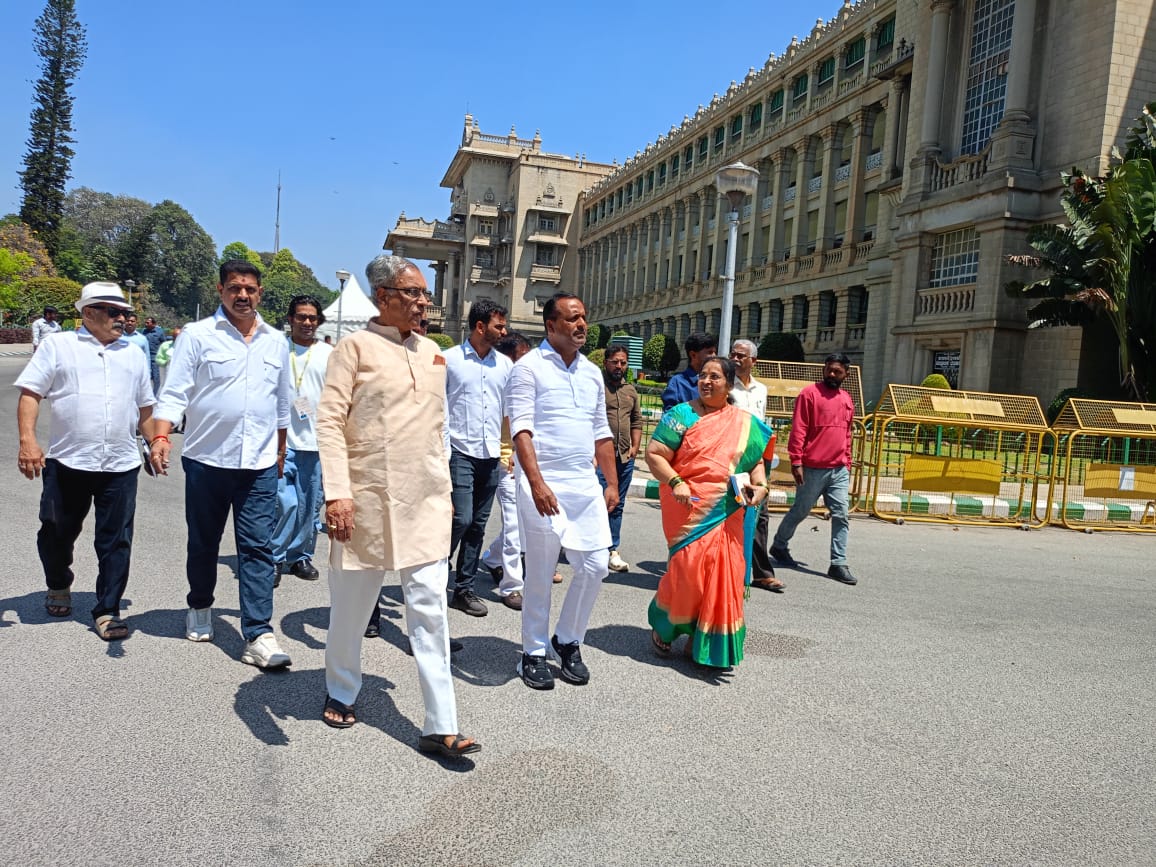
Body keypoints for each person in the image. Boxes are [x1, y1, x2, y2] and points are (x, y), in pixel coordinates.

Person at [316, 254, 478, 757]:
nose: (423, 302)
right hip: (365, 499)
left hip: (425, 500)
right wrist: (337, 493)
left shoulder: (434, 352)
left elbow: (438, 432)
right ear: (383, 297)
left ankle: (441, 723)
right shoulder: (354, 347)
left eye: (424, 293)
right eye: (412, 293)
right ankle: (342, 688)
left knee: (430, 610)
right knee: (352, 606)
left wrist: (447, 494)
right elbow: (329, 423)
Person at [150, 260, 294, 669]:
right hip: (206, 462)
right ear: (221, 290)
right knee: (204, 543)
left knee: (257, 549)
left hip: (260, 464)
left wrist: (280, 453)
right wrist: (160, 436)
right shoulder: (197, 336)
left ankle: (258, 633)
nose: (243, 295)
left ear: (260, 294)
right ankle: (199, 604)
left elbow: (282, 406)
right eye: (235, 288)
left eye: (250, 289)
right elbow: (174, 393)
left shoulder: (275, 341)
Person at [14, 282, 156, 641]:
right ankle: (58, 582)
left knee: (116, 539)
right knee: (56, 530)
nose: (123, 318)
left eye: (125, 312)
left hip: (121, 464)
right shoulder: (58, 346)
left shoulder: (134, 353)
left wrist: (156, 442)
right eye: (114, 312)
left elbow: (144, 408)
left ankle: (107, 609)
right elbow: (31, 394)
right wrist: (28, 441)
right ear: (88, 313)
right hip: (69, 461)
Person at [506, 292, 618, 690]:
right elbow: (521, 430)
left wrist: (612, 483)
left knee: (596, 565)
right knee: (540, 571)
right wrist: (536, 483)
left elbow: (600, 431)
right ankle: (533, 652)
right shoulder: (528, 369)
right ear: (551, 326)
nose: (581, 325)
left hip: (584, 483)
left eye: (584, 317)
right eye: (572, 319)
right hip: (543, 481)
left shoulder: (590, 372)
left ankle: (567, 638)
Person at [645, 356, 773, 668]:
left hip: (729, 511)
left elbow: (755, 463)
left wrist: (761, 487)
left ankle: (700, 637)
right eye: (703, 375)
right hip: (691, 509)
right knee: (688, 574)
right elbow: (655, 454)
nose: (706, 381)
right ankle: (666, 625)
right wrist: (675, 481)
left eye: (715, 377)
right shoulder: (681, 415)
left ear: (730, 385)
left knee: (723, 575)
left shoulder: (745, 424)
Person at [443, 299, 511, 616]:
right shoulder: (449, 361)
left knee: (478, 526)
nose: (504, 331)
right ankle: (433, 570)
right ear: (480, 326)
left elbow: (511, 412)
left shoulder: (505, 366)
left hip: (490, 455)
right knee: (461, 518)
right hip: (459, 452)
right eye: (499, 325)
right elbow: (438, 409)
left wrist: (508, 452)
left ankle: (464, 589)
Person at [769, 353, 857, 586]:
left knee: (841, 515)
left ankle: (838, 563)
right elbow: (799, 429)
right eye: (828, 369)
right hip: (812, 468)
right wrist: (796, 461)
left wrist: (846, 462)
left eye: (837, 371)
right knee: (800, 511)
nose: (831, 374)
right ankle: (779, 545)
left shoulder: (846, 398)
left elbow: (847, 434)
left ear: (845, 374)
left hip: (838, 469)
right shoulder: (809, 394)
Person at [271, 295, 333, 586]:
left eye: (312, 318)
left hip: (315, 443)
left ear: (318, 321)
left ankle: (301, 556)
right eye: (301, 317)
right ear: (290, 319)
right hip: (280, 442)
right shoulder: (275, 350)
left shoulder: (329, 354)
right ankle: (274, 557)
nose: (307, 323)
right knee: (285, 502)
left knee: (310, 505)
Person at [480, 331, 532, 606]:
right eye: (521, 357)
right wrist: (510, 452)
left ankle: (490, 558)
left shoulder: (524, 382)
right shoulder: (499, 382)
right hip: (502, 461)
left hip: (522, 460)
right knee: (513, 523)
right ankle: (511, 586)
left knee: (522, 522)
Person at [728, 338, 783, 592]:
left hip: (757, 460)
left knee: (760, 513)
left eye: (741, 355)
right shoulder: (727, 388)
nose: (736, 359)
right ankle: (730, 570)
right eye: (733, 354)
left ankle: (761, 573)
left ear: (753, 361)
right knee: (733, 512)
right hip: (733, 459)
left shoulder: (761, 390)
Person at [599, 343, 642, 573]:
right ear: (606, 362)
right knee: (597, 502)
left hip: (624, 457)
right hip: (599, 457)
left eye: (623, 362)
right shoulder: (597, 387)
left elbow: (636, 420)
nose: (619, 366)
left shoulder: (631, 391)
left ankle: (611, 549)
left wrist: (635, 447)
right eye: (615, 361)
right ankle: (590, 546)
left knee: (617, 504)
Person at [662, 331, 717, 410]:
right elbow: (670, 417)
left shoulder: (718, 382)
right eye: (710, 352)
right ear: (693, 355)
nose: (714, 356)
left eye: (715, 352)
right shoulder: (677, 383)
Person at [142, 316, 167, 393]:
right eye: (145, 322)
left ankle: (155, 395)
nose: (145, 324)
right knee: (146, 377)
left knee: (156, 378)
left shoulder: (160, 332)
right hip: (145, 357)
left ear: (153, 324)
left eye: (148, 323)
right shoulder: (144, 331)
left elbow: (164, 344)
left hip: (154, 358)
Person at [155, 325, 181, 392]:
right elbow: (158, 359)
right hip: (166, 374)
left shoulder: (187, 347)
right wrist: (166, 362)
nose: (176, 339)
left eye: (178, 337)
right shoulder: (165, 345)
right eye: (174, 337)